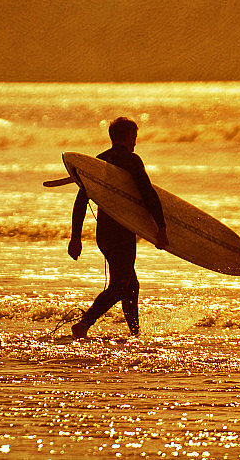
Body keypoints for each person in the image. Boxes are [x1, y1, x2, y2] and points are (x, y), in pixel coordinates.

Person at [67, 117, 168, 339]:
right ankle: (84, 324)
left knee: (131, 285)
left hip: (104, 233)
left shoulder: (100, 160)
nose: (136, 142)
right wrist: (161, 227)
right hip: (122, 232)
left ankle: (135, 333)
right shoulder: (131, 161)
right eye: (135, 136)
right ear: (129, 135)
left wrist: (76, 237)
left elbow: (81, 200)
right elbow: (148, 194)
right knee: (121, 285)